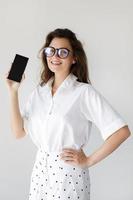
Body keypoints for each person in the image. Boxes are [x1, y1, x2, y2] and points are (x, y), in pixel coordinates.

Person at [5, 28, 131, 200]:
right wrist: (13, 92)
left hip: (69, 175)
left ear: (74, 58)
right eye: (50, 51)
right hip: (40, 173)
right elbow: (18, 132)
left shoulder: (83, 92)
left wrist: (89, 161)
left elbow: (121, 131)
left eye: (63, 52)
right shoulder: (39, 92)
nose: (55, 56)